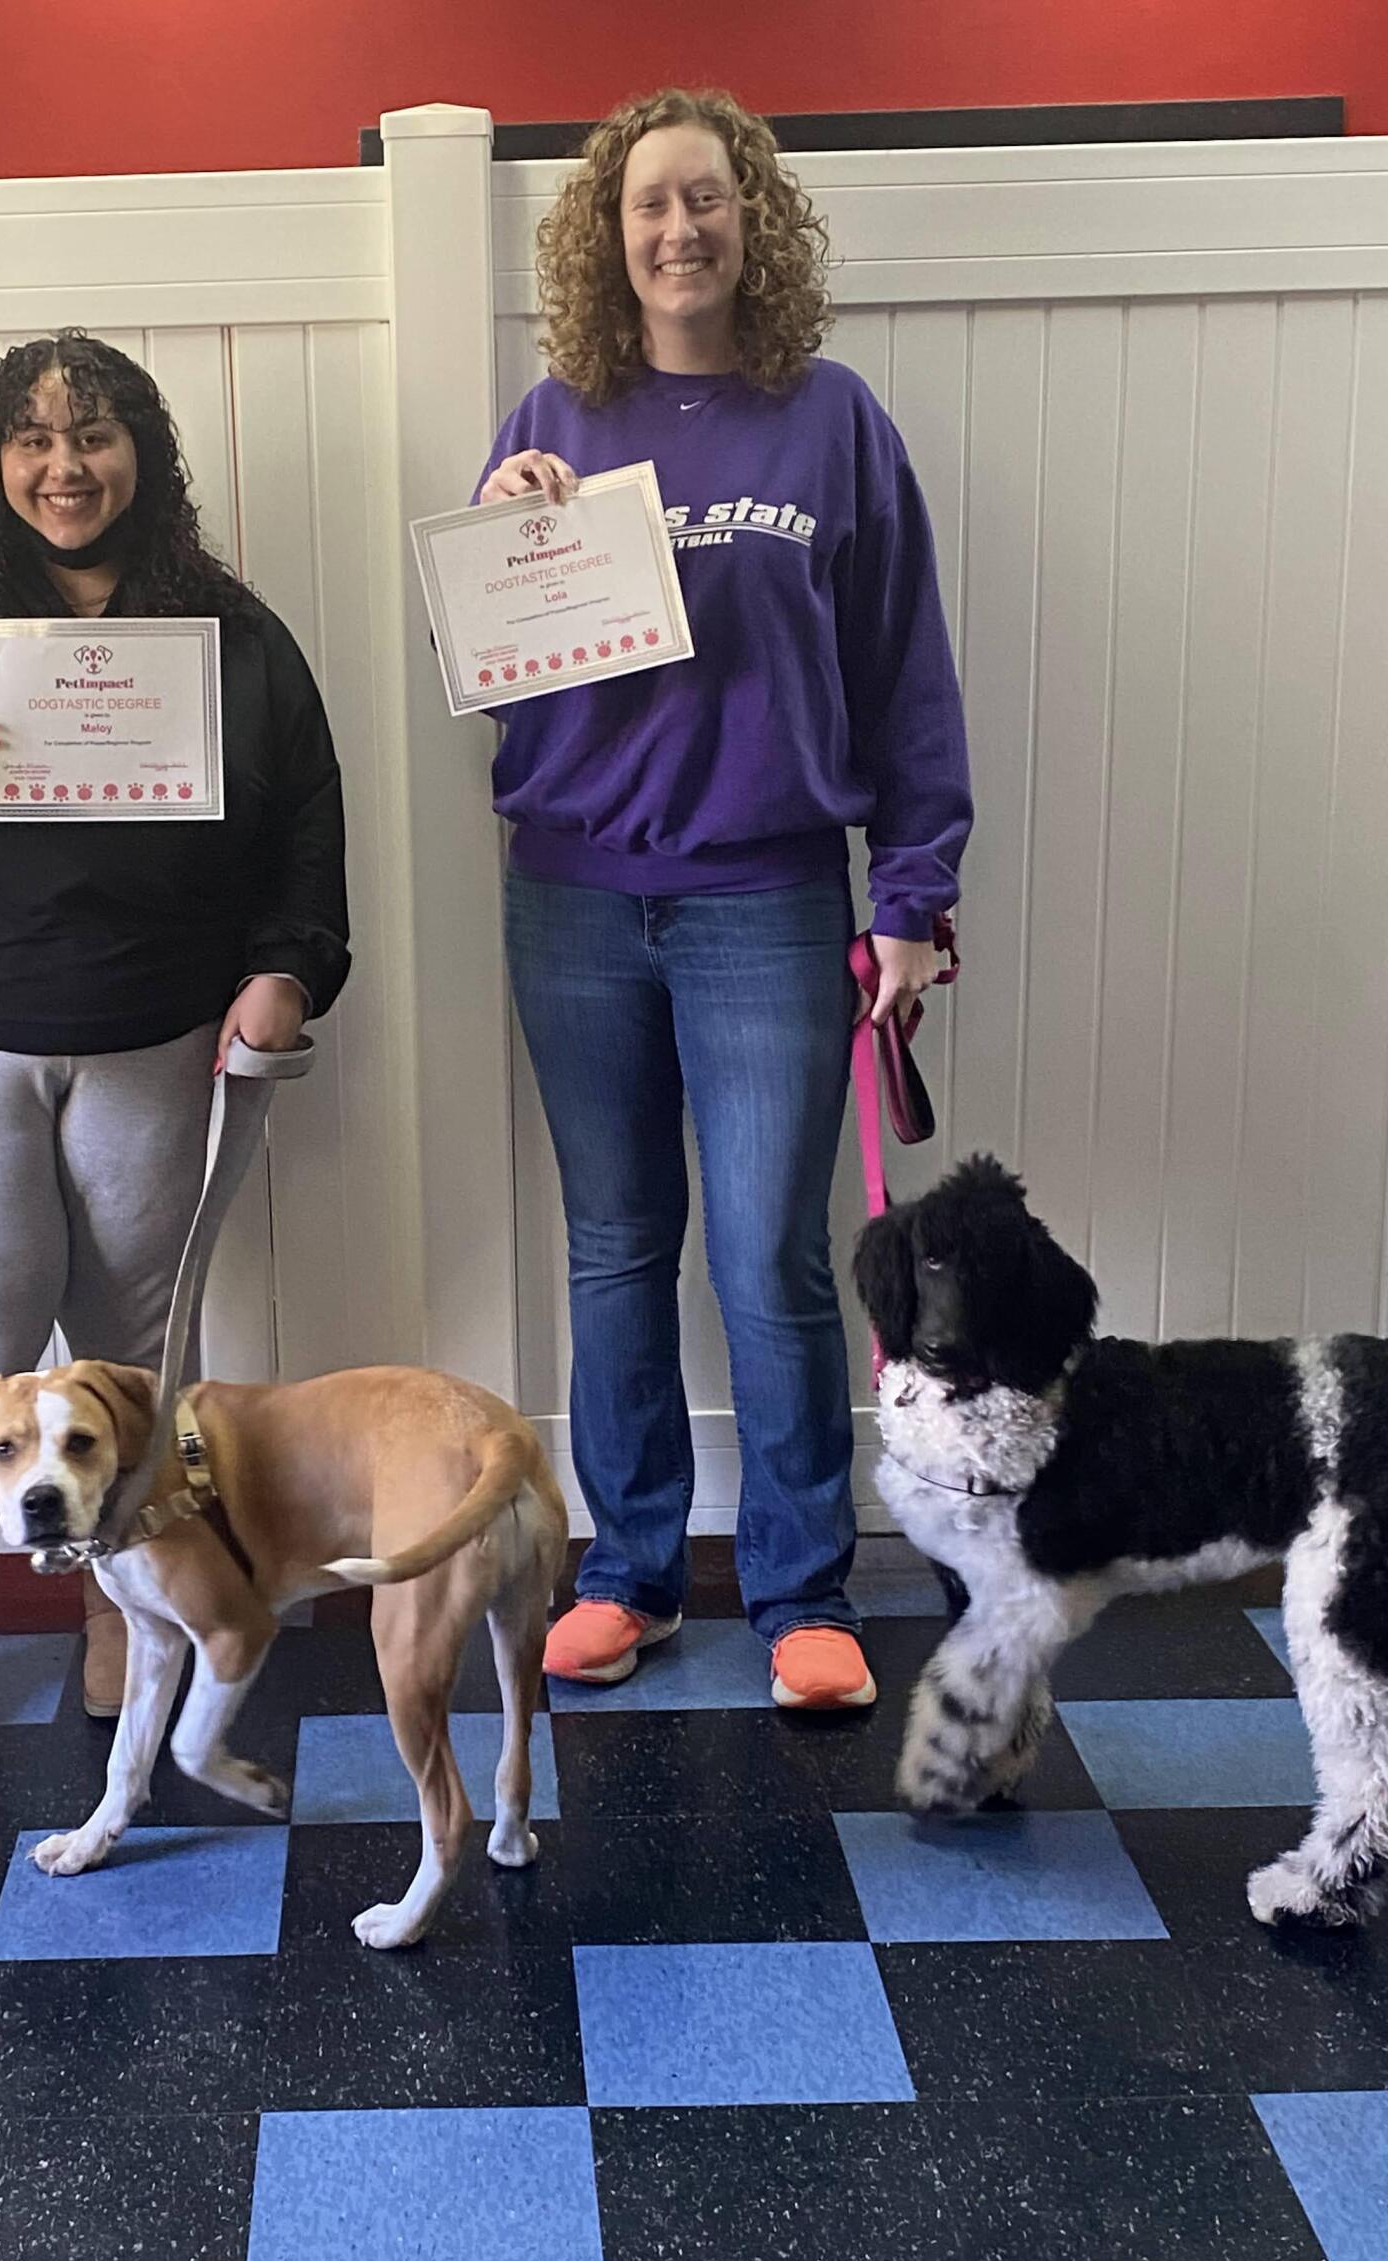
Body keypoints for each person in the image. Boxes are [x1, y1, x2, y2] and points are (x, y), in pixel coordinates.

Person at [0, 331, 348, 1746]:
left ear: (141, 455)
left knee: (136, 1348)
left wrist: (289, 971)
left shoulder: (229, 629)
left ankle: (126, 1604)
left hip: (154, 1036)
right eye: (32, 439)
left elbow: (305, 823)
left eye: (93, 436)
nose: (64, 466)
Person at [475, 89, 969, 1705]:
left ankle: (801, 1593)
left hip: (768, 901)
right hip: (573, 899)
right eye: (646, 206)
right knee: (617, 1249)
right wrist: (496, 550)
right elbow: (487, 676)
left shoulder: (830, 419)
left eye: (708, 200)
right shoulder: (553, 413)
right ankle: (626, 1575)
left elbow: (906, 677)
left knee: (764, 1256)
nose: (678, 230)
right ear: (605, 241)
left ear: (755, 222)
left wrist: (912, 893)